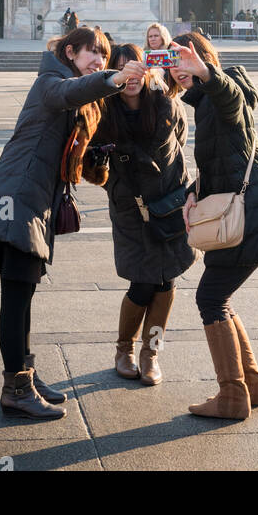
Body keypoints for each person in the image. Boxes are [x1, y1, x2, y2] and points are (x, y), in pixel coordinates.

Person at [0, 26, 129, 420]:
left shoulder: (72, 89)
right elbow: (67, 94)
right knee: (15, 298)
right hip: (18, 198)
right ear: (71, 51)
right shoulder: (51, 82)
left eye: (104, 56)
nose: (98, 60)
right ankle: (16, 388)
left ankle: (25, 374)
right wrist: (113, 79)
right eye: (93, 53)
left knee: (24, 294)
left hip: (35, 199)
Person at [169, 33, 258, 420]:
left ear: (202, 60)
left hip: (253, 217)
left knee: (210, 299)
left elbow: (232, 102)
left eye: (183, 60)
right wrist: (196, 191)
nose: (178, 70)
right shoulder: (206, 101)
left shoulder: (223, 93)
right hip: (256, 213)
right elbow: (224, 161)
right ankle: (251, 385)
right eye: (174, 64)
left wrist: (206, 73)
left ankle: (232, 395)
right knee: (217, 298)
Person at [91, 44, 195, 386]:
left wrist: (162, 94)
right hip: (131, 209)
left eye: (134, 67)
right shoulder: (103, 116)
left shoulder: (165, 105)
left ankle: (151, 353)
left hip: (170, 204)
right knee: (142, 281)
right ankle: (124, 349)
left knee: (166, 280)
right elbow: (95, 167)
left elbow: (176, 144)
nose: (130, 76)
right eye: (120, 69)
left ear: (146, 69)